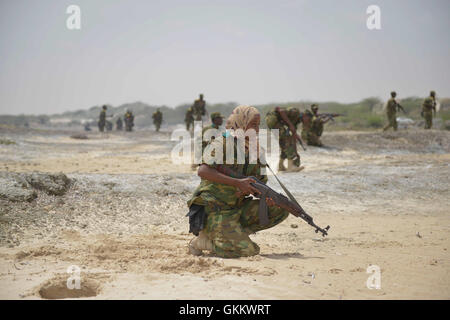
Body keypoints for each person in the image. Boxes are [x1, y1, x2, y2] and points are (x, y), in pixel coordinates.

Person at [187, 105, 290, 258]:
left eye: (258, 125)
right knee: (250, 251)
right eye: (253, 124)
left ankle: (233, 235)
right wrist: (237, 183)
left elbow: (260, 183)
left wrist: (265, 198)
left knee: (282, 207)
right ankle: (204, 240)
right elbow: (203, 171)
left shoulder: (256, 150)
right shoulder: (223, 143)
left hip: (238, 207)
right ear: (241, 122)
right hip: (215, 210)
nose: (256, 129)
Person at [265, 106, 304, 172]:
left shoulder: (294, 120)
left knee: (284, 144)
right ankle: (290, 167)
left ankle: (281, 166)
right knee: (288, 142)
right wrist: (290, 125)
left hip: (271, 121)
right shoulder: (295, 112)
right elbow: (281, 111)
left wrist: (296, 151)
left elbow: (293, 136)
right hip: (273, 119)